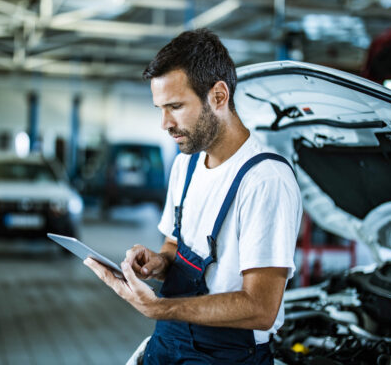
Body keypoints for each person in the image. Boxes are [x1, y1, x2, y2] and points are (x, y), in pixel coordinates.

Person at [84, 28, 302, 364]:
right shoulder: (185, 166)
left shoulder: (265, 180)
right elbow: (175, 244)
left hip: (227, 355)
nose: (165, 124)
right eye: (160, 108)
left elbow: (261, 309)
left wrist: (159, 307)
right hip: (169, 341)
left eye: (175, 106)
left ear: (218, 96)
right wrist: (159, 261)